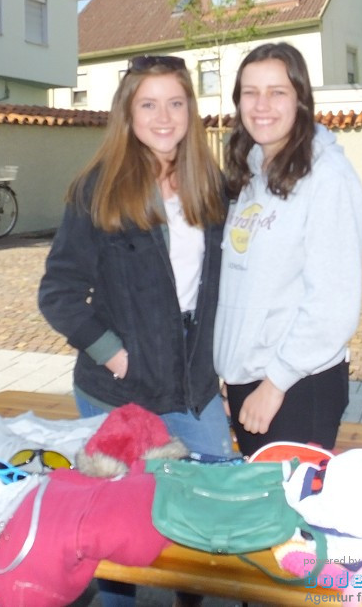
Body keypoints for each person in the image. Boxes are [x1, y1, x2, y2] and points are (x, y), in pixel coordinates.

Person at [37, 55, 230, 606]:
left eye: (175, 102)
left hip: (191, 390)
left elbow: (220, 287)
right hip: (117, 394)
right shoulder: (97, 190)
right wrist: (112, 352)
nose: (164, 117)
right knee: (116, 536)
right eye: (149, 104)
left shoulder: (209, 185)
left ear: (191, 110)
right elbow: (58, 293)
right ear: (128, 112)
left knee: (201, 516)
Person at [214, 42, 362, 457]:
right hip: (252, 381)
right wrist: (232, 371)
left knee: (291, 515)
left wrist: (274, 383)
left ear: (300, 99)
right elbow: (245, 286)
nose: (262, 105)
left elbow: (333, 303)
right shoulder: (252, 171)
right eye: (250, 92)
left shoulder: (327, 178)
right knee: (264, 514)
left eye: (277, 92)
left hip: (297, 386)